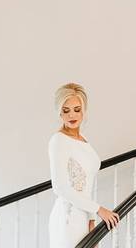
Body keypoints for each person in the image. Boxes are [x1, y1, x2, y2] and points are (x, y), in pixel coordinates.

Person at [48, 83, 120, 248]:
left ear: (84, 110)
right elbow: (60, 187)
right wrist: (99, 210)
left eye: (77, 109)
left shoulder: (83, 140)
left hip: (83, 217)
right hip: (67, 218)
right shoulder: (58, 140)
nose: (72, 115)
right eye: (66, 110)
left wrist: (91, 221)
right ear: (59, 112)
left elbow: (86, 186)